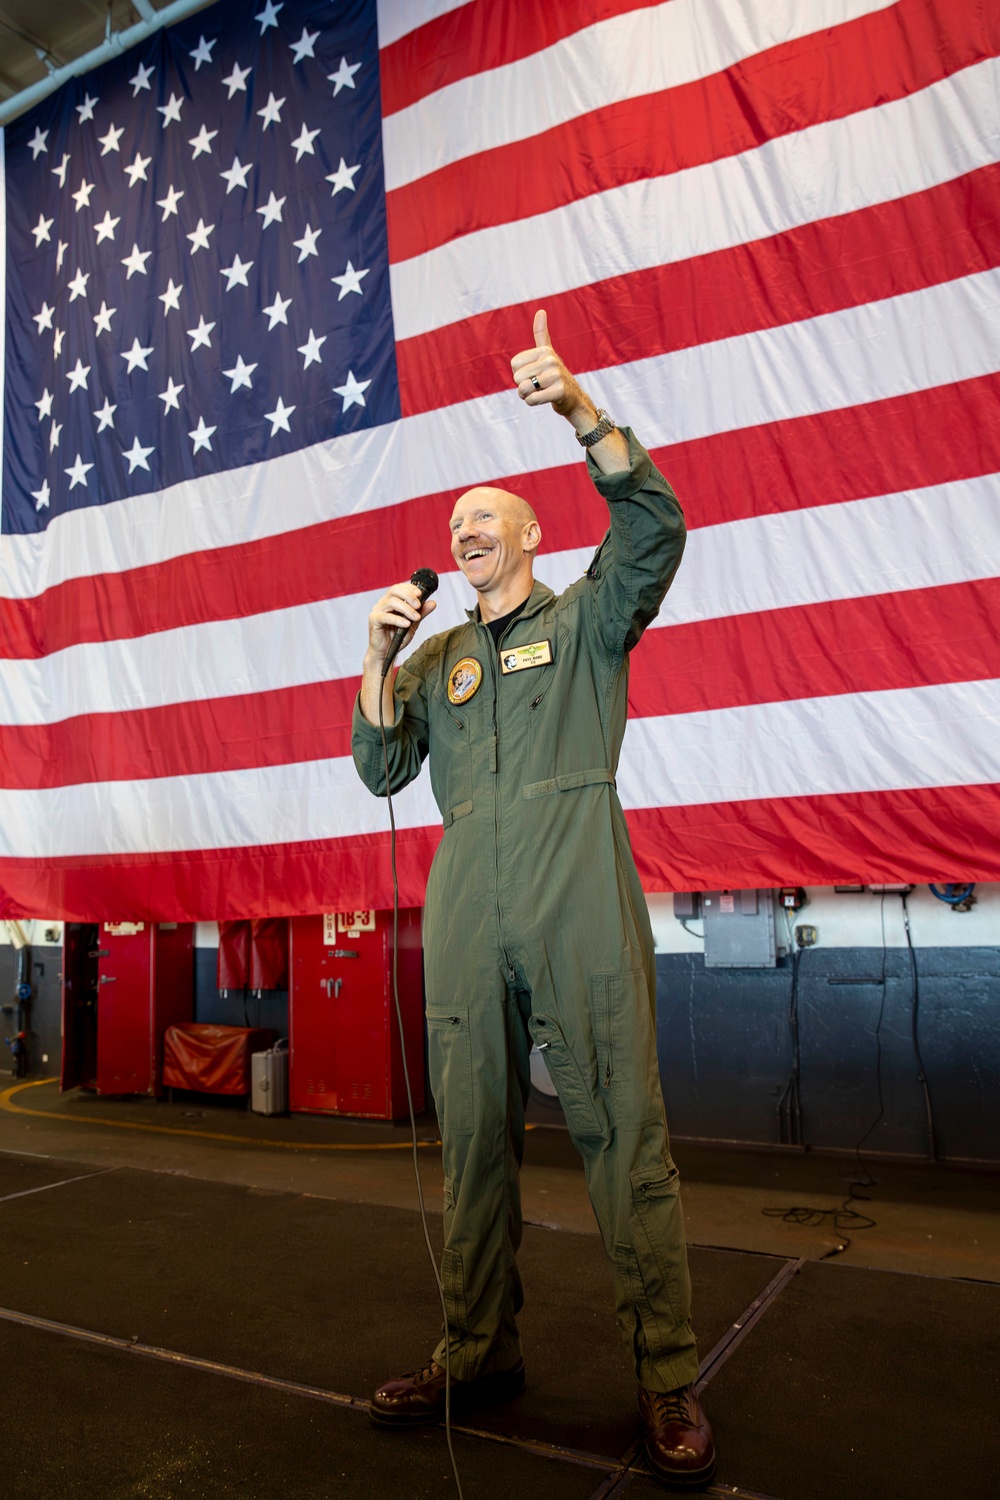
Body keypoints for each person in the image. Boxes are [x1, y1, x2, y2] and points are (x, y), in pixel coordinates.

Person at [351, 311, 715, 1489]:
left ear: (530, 533)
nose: (464, 533)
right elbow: (381, 767)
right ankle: (476, 1352)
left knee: (621, 1134)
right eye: (454, 526)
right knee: (472, 1145)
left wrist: (575, 409)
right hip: (465, 898)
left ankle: (665, 1381)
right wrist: (373, 656)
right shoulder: (439, 658)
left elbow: (654, 527)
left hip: (572, 886)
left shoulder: (587, 620)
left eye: (485, 520)